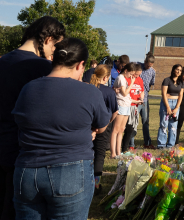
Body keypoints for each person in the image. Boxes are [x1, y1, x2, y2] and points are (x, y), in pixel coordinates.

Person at [11, 37, 112, 220]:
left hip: (28, 171)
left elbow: (21, 121)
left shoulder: (28, 88)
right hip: (70, 170)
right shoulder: (90, 92)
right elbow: (103, 126)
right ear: (80, 65)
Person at [0, 16, 64, 220]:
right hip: (21, 147)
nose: (53, 53)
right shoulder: (40, 66)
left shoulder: (2, 61)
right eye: (55, 47)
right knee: (14, 211)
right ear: (48, 39)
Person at [88, 65, 117, 192]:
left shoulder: (87, 88)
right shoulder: (109, 91)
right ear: (106, 77)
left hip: (87, 125)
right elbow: (115, 111)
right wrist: (108, 122)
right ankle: (96, 184)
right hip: (103, 126)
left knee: (87, 153)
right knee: (99, 155)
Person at [111, 63, 139, 155]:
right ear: (126, 70)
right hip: (121, 105)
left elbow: (126, 94)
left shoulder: (124, 79)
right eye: (130, 74)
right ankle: (113, 153)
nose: (131, 76)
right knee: (116, 129)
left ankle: (119, 152)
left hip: (127, 105)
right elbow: (124, 93)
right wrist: (131, 83)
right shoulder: (121, 78)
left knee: (122, 129)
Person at [158, 64, 184, 148]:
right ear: (173, 70)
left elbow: (181, 95)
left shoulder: (181, 82)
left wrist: (177, 108)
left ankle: (170, 145)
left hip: (176, 104)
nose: (178, 71)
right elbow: (164, 94)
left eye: (180, 70)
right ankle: (161, 145)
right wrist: (168, 107)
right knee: (163, 124)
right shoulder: (167, 80)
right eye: (177, 69)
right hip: (167, 103)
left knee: (173, 126)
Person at [138, 55, 156, 148]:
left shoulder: (152, 72)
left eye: (150, 66)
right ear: (144, 61)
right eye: (147, 65)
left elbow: (151, 83)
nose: (148, 67)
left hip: (145, 100)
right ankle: (130, 144)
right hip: (135, 100)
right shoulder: (138, 66)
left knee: (145, 121)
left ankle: (147, 142)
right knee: (133, 122)